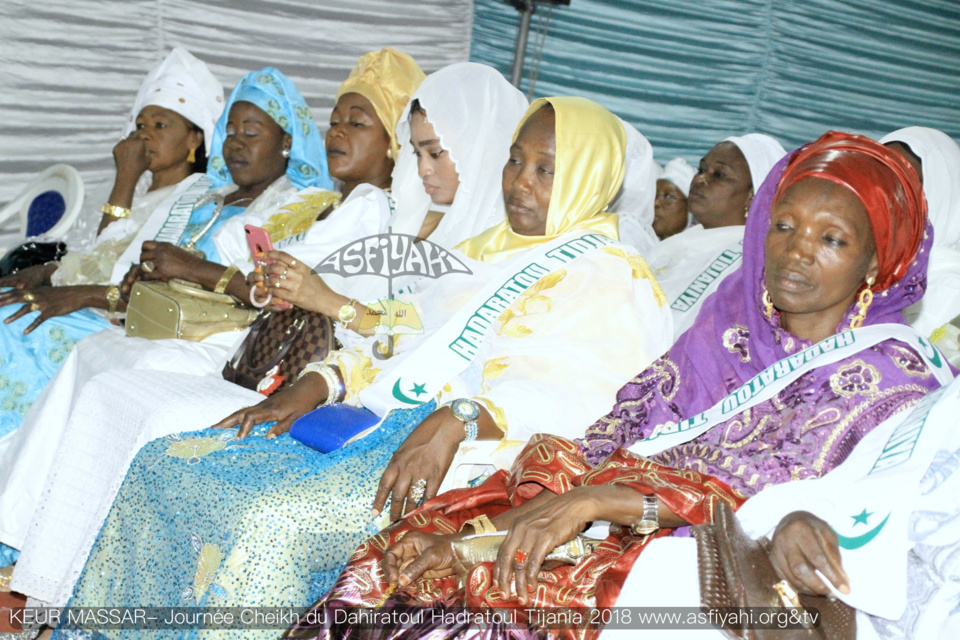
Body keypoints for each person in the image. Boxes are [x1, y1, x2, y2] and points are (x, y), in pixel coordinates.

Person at [285, 131, 949, 640]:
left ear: (875, 260)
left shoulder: (893, 375)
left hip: (703, 554)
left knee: (491, 599)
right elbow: (617, 433)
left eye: (831, 239)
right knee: (398, 563)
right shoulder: (729, 319)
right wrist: (498, 523)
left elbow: (783, 509)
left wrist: (586, 508)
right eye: (784, 225)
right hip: (608, 506)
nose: (797, 250)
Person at [55, 97, 672, 640]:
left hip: (472, 462)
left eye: (546, 170)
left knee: (270, 522)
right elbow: (397, 331)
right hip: (371, 422)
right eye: (515, 161)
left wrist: (455, 418)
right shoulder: (485, 251)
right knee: (166, 466)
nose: (520, 183)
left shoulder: (613, 276)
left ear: (589, 178)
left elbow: (590, 401)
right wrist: (308, 386)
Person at [0, 51, 426, 609]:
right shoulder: (326, 205)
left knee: (128, 378)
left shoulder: (376, 211)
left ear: (395, 143)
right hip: (248, 345)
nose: (338, 132)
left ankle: (61, 575)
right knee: (101, 364)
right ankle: (31, 551)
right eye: (336, 120)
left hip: (266, 361)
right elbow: (240, 265)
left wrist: (207, 271)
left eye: (358, 122)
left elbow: (275, 288)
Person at [0, 48, 223, 459]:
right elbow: (105, 252)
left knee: (7, 326)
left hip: (119, 323)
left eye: (160, 125)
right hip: (88, 306)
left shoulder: (201, 200)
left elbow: (139, 280)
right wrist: (51, 270)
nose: (145, 135)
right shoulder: (148, 196)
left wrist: (125, 176)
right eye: (140, 125)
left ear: (195, 138)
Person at [647, 133, 786, 339]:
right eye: (702, 169)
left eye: (719, 174)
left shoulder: (748, 261)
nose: (701, 179)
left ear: (753, 196)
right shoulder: (687, 238)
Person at [879, 127, 960, 339]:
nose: (890, 198)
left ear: (942, 193)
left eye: (907, 186)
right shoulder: (869, 274)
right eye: (880, 180)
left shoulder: (952, 295)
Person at [653, 157, 695, 240]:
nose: (656, 203)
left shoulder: (699, 249)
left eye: (668, 197)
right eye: (655, 195)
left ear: (690, 207)